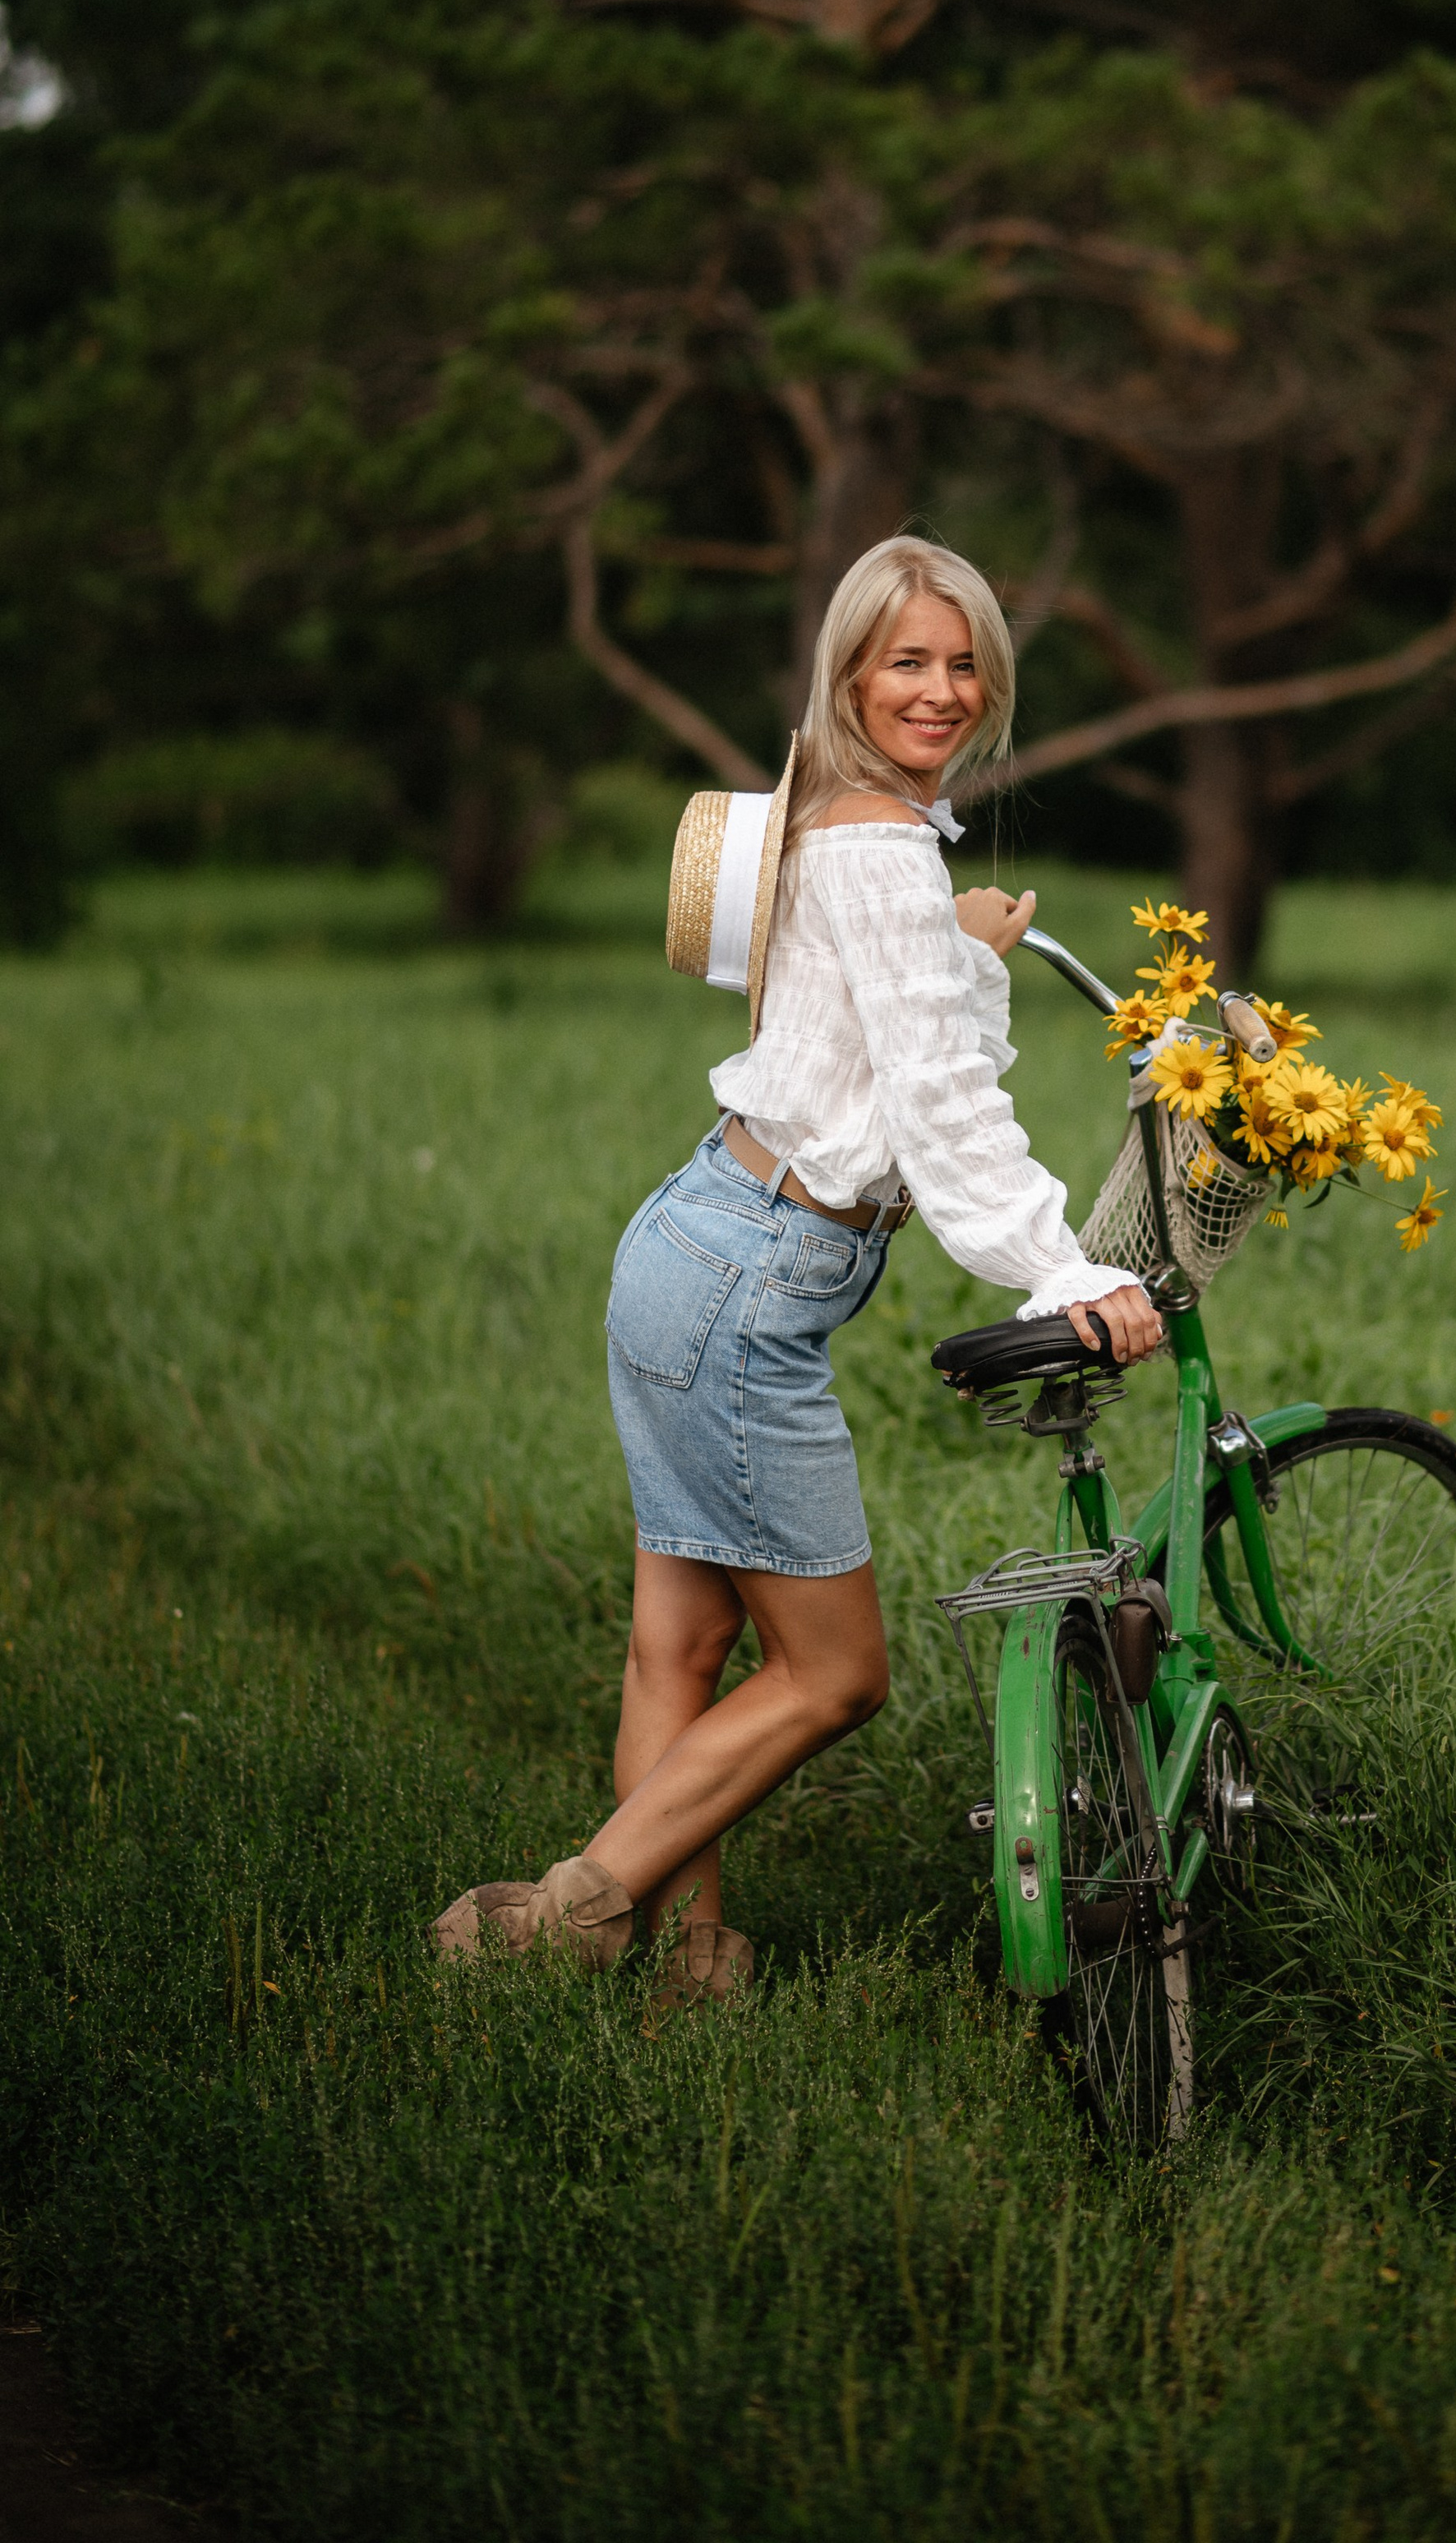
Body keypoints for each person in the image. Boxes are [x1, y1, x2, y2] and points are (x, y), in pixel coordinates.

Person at [432, 533, 1162, 2006]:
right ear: (848, 671)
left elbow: (866, 1022)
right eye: (907, 661)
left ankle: (695, 1967)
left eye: (966, 664)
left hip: (694, 1243)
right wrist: (1058, 1269)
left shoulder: (843, 826)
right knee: (838, 1677)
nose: (942, 691)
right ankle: (564, 1922)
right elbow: (940, 1109)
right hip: (750, 1282)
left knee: (681, 1649)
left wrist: (959, 948)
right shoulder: (882, 850)